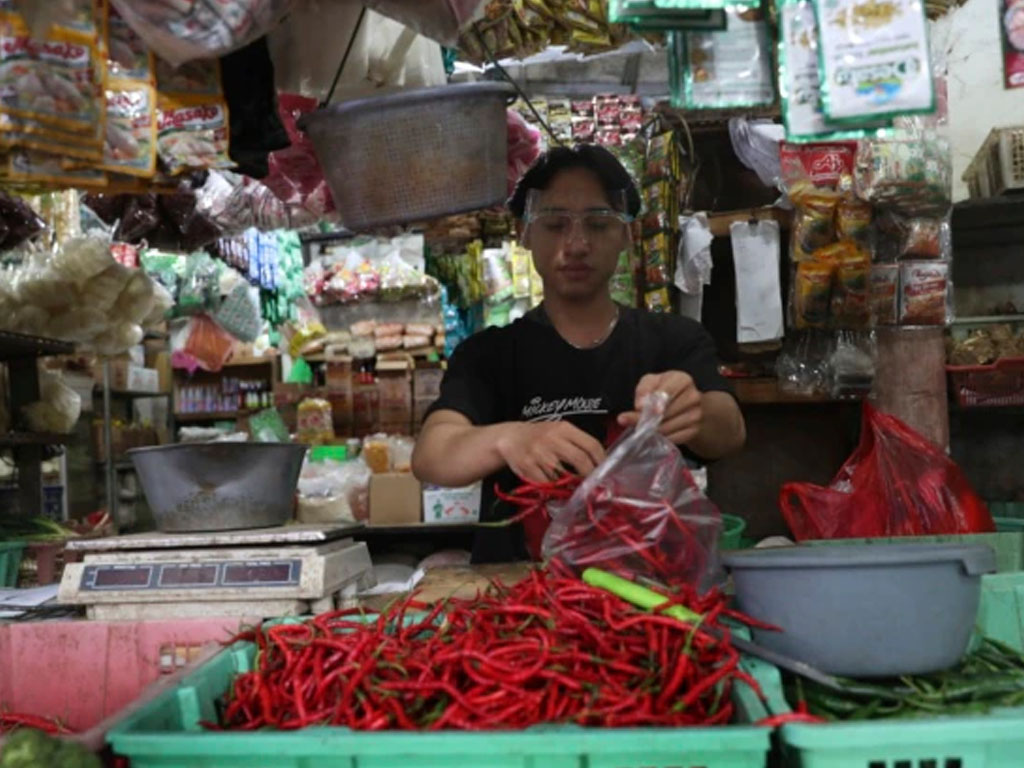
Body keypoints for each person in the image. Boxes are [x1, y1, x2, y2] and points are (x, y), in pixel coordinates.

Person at [412, 144, 745, 563]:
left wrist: (694, 410)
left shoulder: (673, 340)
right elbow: (431, 455)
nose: (576, 243)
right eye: (554, 224)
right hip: (516, 598)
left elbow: (729, 431)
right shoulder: (489, 354)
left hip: (643, 586)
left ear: (627, 233)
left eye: (598, 223)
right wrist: (508, 437)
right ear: (525, 235)